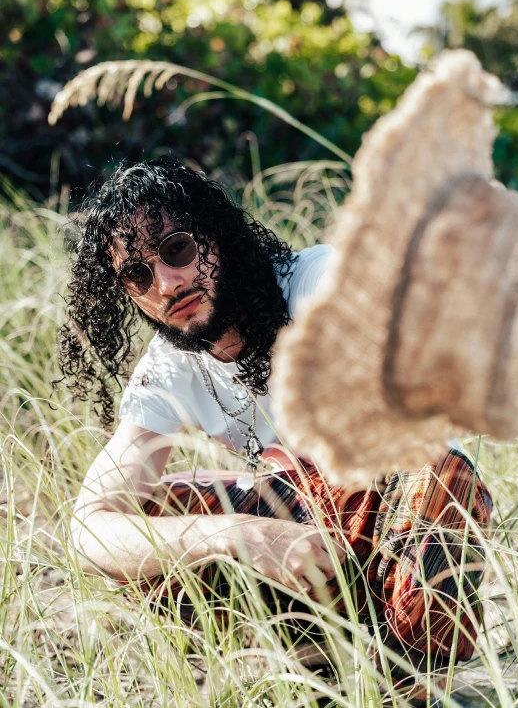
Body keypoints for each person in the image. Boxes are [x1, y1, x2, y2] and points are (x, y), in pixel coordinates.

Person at [59, 159, 492, 691]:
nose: (168, 282)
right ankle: (319, 673)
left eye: (177, 249)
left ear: (216, 238)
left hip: (398, 530)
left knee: (438, 474)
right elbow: (89, 526)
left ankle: (414, 685)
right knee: (157, 515)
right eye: (138, 274)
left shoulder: (319, 283)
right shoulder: (166, 368)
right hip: (303, 556)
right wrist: (238, 533)